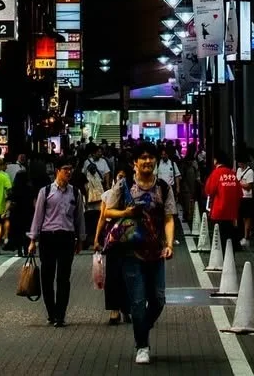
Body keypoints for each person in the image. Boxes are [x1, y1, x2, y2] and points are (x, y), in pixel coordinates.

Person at [104, 144, 176, 365]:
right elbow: (107, 210)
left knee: (159, 300)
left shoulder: (163, 187)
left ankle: (141, 329)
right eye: (143, 158)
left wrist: (170, 244)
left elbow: (169, 217)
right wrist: (125, 212)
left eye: (150, 157)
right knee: (137, 301)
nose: (147, 161)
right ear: (135, 162)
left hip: (156, 252)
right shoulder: (124, 185)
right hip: (130, 253)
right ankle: (142, 345)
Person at [28, 158, 86, 327]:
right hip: (48, 237)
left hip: (67, 238)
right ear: (57, 171)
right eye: (65, 169)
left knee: (64, 278)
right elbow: (38, 216)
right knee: (47, 277)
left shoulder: (75, 193)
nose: (68, 172)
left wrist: (81, 239)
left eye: (70, 169)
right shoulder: (45, 192)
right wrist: (33, 240)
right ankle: (51, 312)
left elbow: (79, 218)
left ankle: (60, 315)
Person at [94, 164, 132, 324]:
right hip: (112, 239)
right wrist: (96, 239)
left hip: (130, 239)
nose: (121, 180)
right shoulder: (108, 195)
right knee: (113, 274)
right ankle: (114, 310)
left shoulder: (133, 196)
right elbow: (103, 217)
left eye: (124, 177)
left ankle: (127, 309)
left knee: (129, 274)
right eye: (119, 176)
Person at [203, 150, 243, 253]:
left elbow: (209, 190)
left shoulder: (216, 173)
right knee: (230, 237)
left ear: (216, 161)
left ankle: (221, 261)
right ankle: (230, 259)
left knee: (219, 238)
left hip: (219, 212)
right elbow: (240, 193)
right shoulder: (232, 174)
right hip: (232, 213)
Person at [236, 150, 254, 246]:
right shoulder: (238, 170)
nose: (239, 164)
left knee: (247, 218)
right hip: (240, 196)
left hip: (247, 197)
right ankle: (241, 236)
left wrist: (239, 183)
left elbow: (249, 186)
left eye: (241, 162)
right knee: (240, 217)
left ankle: (246, 237)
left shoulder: (250, 171)